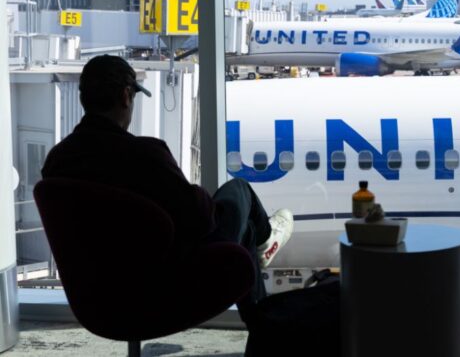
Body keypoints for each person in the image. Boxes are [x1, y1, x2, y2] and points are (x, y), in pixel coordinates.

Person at [40, 54, 293, 321]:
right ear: (127, 96)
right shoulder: (144, 154)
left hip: (95, 299)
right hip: (162, 290)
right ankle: (266, 243)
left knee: (246, 234)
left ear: (83, 99)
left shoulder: (56, 162)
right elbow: (201, 220)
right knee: (239, 190)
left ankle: (262, 299)